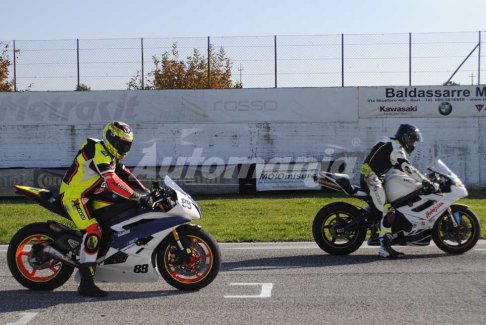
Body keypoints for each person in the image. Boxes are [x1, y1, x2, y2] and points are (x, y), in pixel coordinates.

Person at [59, 121, 151, 297]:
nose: (124, 148)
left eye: (127, 145)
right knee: (94, 230)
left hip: (92, 193)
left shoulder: (110, 153)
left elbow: (125, 173)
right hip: (74, 196)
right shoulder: (98, 151)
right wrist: (136, 196)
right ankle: (86, 284)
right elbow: (112, 181)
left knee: (122, 210)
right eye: (122, 144)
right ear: (111, 139)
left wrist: (146, 191)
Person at [360, 124, 438, 258]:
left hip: (376, 177)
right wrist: (424, 180)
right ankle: (384, 249)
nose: (413, 143)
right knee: (388, 209)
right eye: (412, 140)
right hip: (371, 178)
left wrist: (420, 178)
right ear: (405, 137)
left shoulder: (391, 143)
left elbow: (402, 169)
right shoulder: (396, 148)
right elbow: (407, 167)